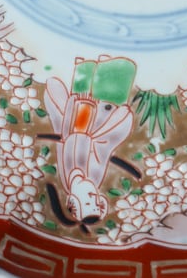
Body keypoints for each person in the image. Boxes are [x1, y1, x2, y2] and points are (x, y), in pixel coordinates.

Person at [43, 57, 136, 223]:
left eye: (87, 202)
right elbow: (104, 147)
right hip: (102, 116)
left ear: (72, 201)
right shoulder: (93, 177)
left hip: (79, 115)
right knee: (114, 77)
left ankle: (88, 64)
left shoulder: (67, 178)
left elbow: (65, 140)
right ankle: (108, 65)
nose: (93, 196)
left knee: (82, 85)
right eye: (96, 202)